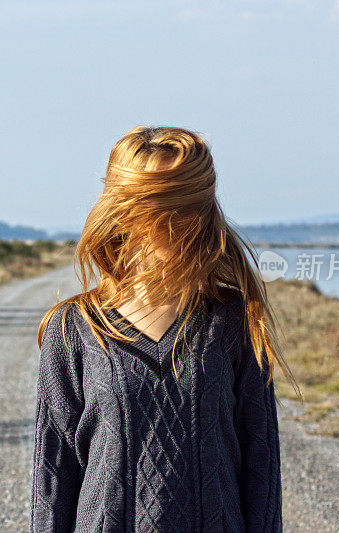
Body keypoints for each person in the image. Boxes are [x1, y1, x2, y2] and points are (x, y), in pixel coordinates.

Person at [29, 126, 300, 532]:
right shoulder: (74, 328)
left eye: (188, 203)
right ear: (124, 209)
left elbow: (262, 472)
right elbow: (54, 477)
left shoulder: (234, 320)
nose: (179, 222)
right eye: (162, 205)